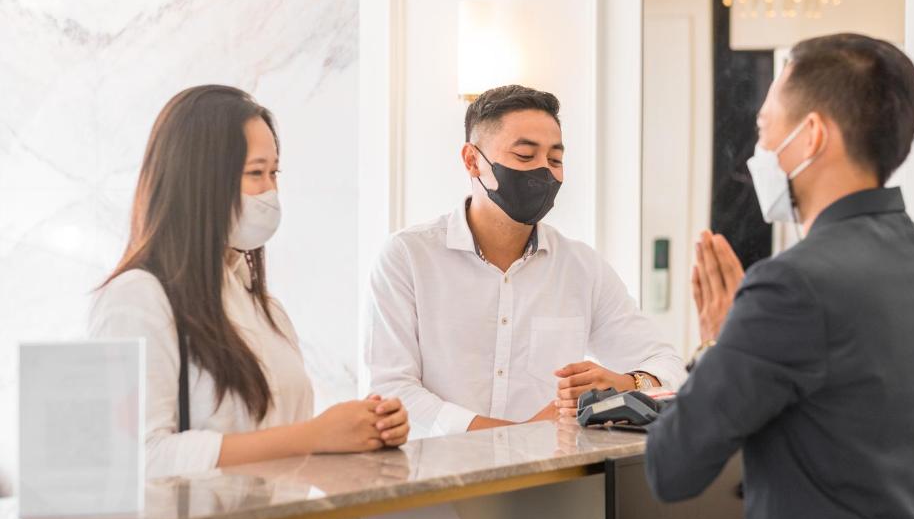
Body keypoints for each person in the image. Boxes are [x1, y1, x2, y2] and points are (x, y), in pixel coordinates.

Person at [645, 34, 914, 519]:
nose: (757, 152)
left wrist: (717, 342)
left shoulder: (792, 285)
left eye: (764, 129)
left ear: (810, 135)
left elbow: (672, 467)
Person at [90, 85, 408, 478]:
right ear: (199, 179)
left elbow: (280, 440)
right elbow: (138, 458)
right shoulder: (137, 298)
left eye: (274, 173)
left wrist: (366, 426)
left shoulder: (262, 306)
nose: (271, 191)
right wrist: (314, 436)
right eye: (255, 173)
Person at [361, 84, 685, 437]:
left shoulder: (581, 268)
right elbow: (393, 389)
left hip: (552, 481)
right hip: (434, 478)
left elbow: (669, 366)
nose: (544, 172)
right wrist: (513, 440)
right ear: (472, 160)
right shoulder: (408, 257)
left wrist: (626, 381)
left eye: (555, 159)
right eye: (526, 157)